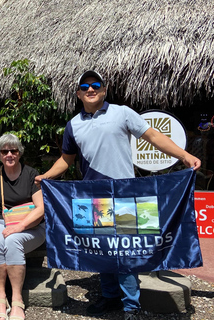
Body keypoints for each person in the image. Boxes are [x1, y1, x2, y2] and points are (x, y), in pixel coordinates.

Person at [35, 70, 201, 320]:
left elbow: (152, 136)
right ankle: (110, 297)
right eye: (85, 86)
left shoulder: (122, 113)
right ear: (79, 93)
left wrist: (184, 156)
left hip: (125, 196)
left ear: (104, 90)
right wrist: (47, 176)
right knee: (101, 249)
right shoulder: (73, 125)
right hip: (92, 197)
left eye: (95, 85)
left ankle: (131, 306)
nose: (90, 89)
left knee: (125, 252)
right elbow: (66, 160)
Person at [0, 134, 46, 320]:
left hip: (32, 225)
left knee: (12, 241)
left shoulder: (30, 174)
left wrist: (19, 226)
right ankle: (1, 297)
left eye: (14, 151)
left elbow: (41, 208)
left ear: (19, 153)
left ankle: (17, 300)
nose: (9, 155)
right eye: (5, 151)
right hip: (2, 221)